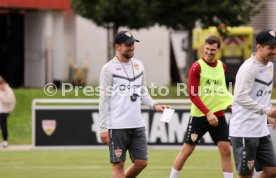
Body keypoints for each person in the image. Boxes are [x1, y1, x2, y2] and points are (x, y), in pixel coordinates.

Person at [99, 30, 168, 178]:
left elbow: (143, 91)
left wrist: (155, 105)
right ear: (118, 46)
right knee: (118, 166)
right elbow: (103, 100)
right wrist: (103, 128)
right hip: (117, 126)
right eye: (128, 45)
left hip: (137, 124)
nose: (132, 47)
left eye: (133, 44)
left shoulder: (139, 65)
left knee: (142, 162)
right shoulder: (108, 68)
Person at [170, 36, 234, 178]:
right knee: (187, 150)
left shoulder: (222, 66)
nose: (209, 52)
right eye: (207, 49)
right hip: (200, 116)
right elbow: (193, 95)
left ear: (218, 49)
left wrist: (232, 103)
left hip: (218, 115)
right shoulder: (196, 67)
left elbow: (221, 90)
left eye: (212, 49)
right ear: (203, 48)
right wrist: (207, 113)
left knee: (226, 150)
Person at [229, 29, 276, 178]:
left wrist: (268, 116)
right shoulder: (248, 69)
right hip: (244, 131)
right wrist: (266, 111)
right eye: (271, 47)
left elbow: (261, 94)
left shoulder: (269, 65)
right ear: (259, 47)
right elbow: (240, 97)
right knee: (245, 175)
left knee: (272, 170)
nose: (274, 51)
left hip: (261, 130)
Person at [0, 76, 16, 148]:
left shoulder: (8, 90)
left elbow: (10, 101)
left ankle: (5, 141)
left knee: (3, 125)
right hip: (0, 110)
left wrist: (2, 98)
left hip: (5, 111)